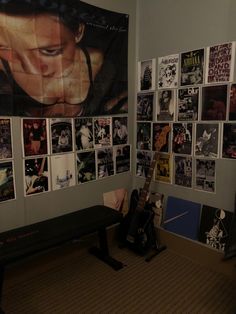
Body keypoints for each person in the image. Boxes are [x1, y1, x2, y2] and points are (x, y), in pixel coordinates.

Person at [0, 0, 128, 117]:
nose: (31, 69)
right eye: (6, 49)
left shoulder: (94, 60)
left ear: (78, 32)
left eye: (50, 51)